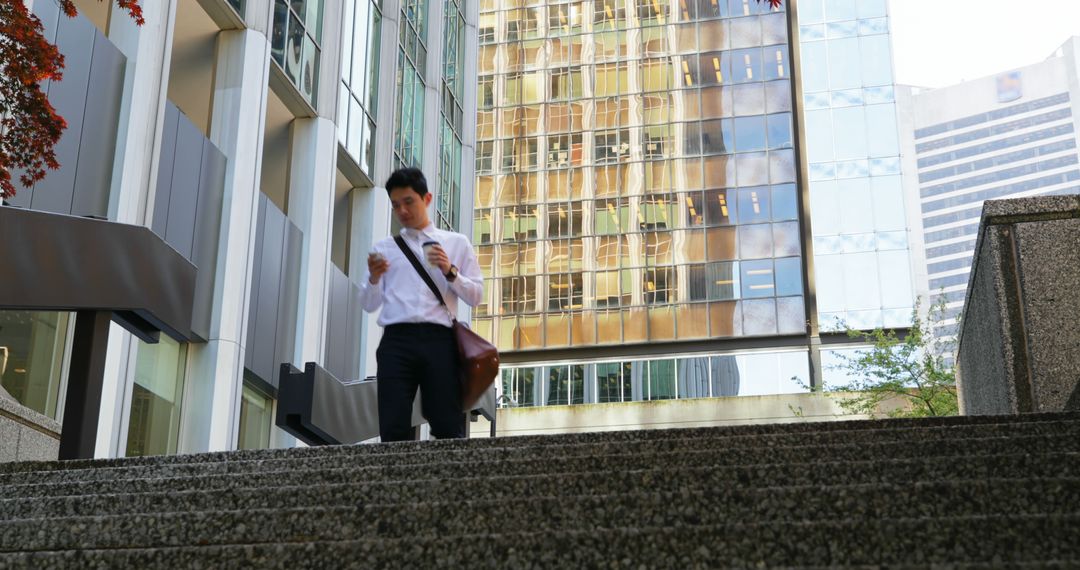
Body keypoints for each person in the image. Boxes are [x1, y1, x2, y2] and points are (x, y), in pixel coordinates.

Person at [358, 168, 484, 441]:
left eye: (408, 201)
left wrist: (450, 270)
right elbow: (367, 304)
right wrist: (375, 277)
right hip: (396, 340)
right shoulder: (384, 248)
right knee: (392, 424)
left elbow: (476, 296)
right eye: (395, 205)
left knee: (446, 421)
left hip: (439, 339)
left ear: (426, 199)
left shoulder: (455, 242)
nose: (402, 210)